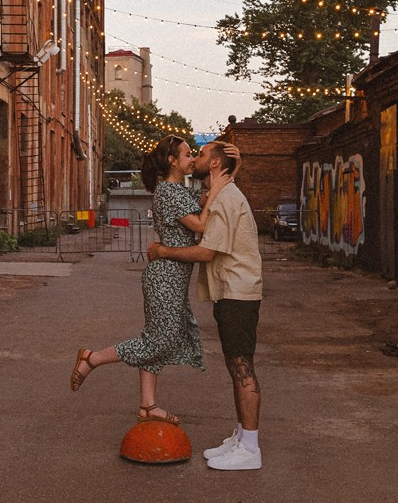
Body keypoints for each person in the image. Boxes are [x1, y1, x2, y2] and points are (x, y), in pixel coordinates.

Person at [69, 134, 236, 424]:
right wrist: (215, 191)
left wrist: (234, 168)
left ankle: (148, 406)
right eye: (186, 155)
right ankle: (92, 358)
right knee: (158, 341)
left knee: (155, 339)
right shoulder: (169, 192)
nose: (192, 159)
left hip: (172, 277)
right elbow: (199, 223)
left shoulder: (180, 191)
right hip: (165, 277)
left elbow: (212, 196)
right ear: (172, 161)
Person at [147, 139, 263, 471]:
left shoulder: (226, 198)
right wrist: (233, 169)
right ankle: (242, 437)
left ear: (214, 165)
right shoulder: (221, 193)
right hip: (230, 290)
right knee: (236, 365)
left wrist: (164, 252)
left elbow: (206, 252)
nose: (195, 159)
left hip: (238, 292)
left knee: (242, 368)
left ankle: (250, 447)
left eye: (200, 155)